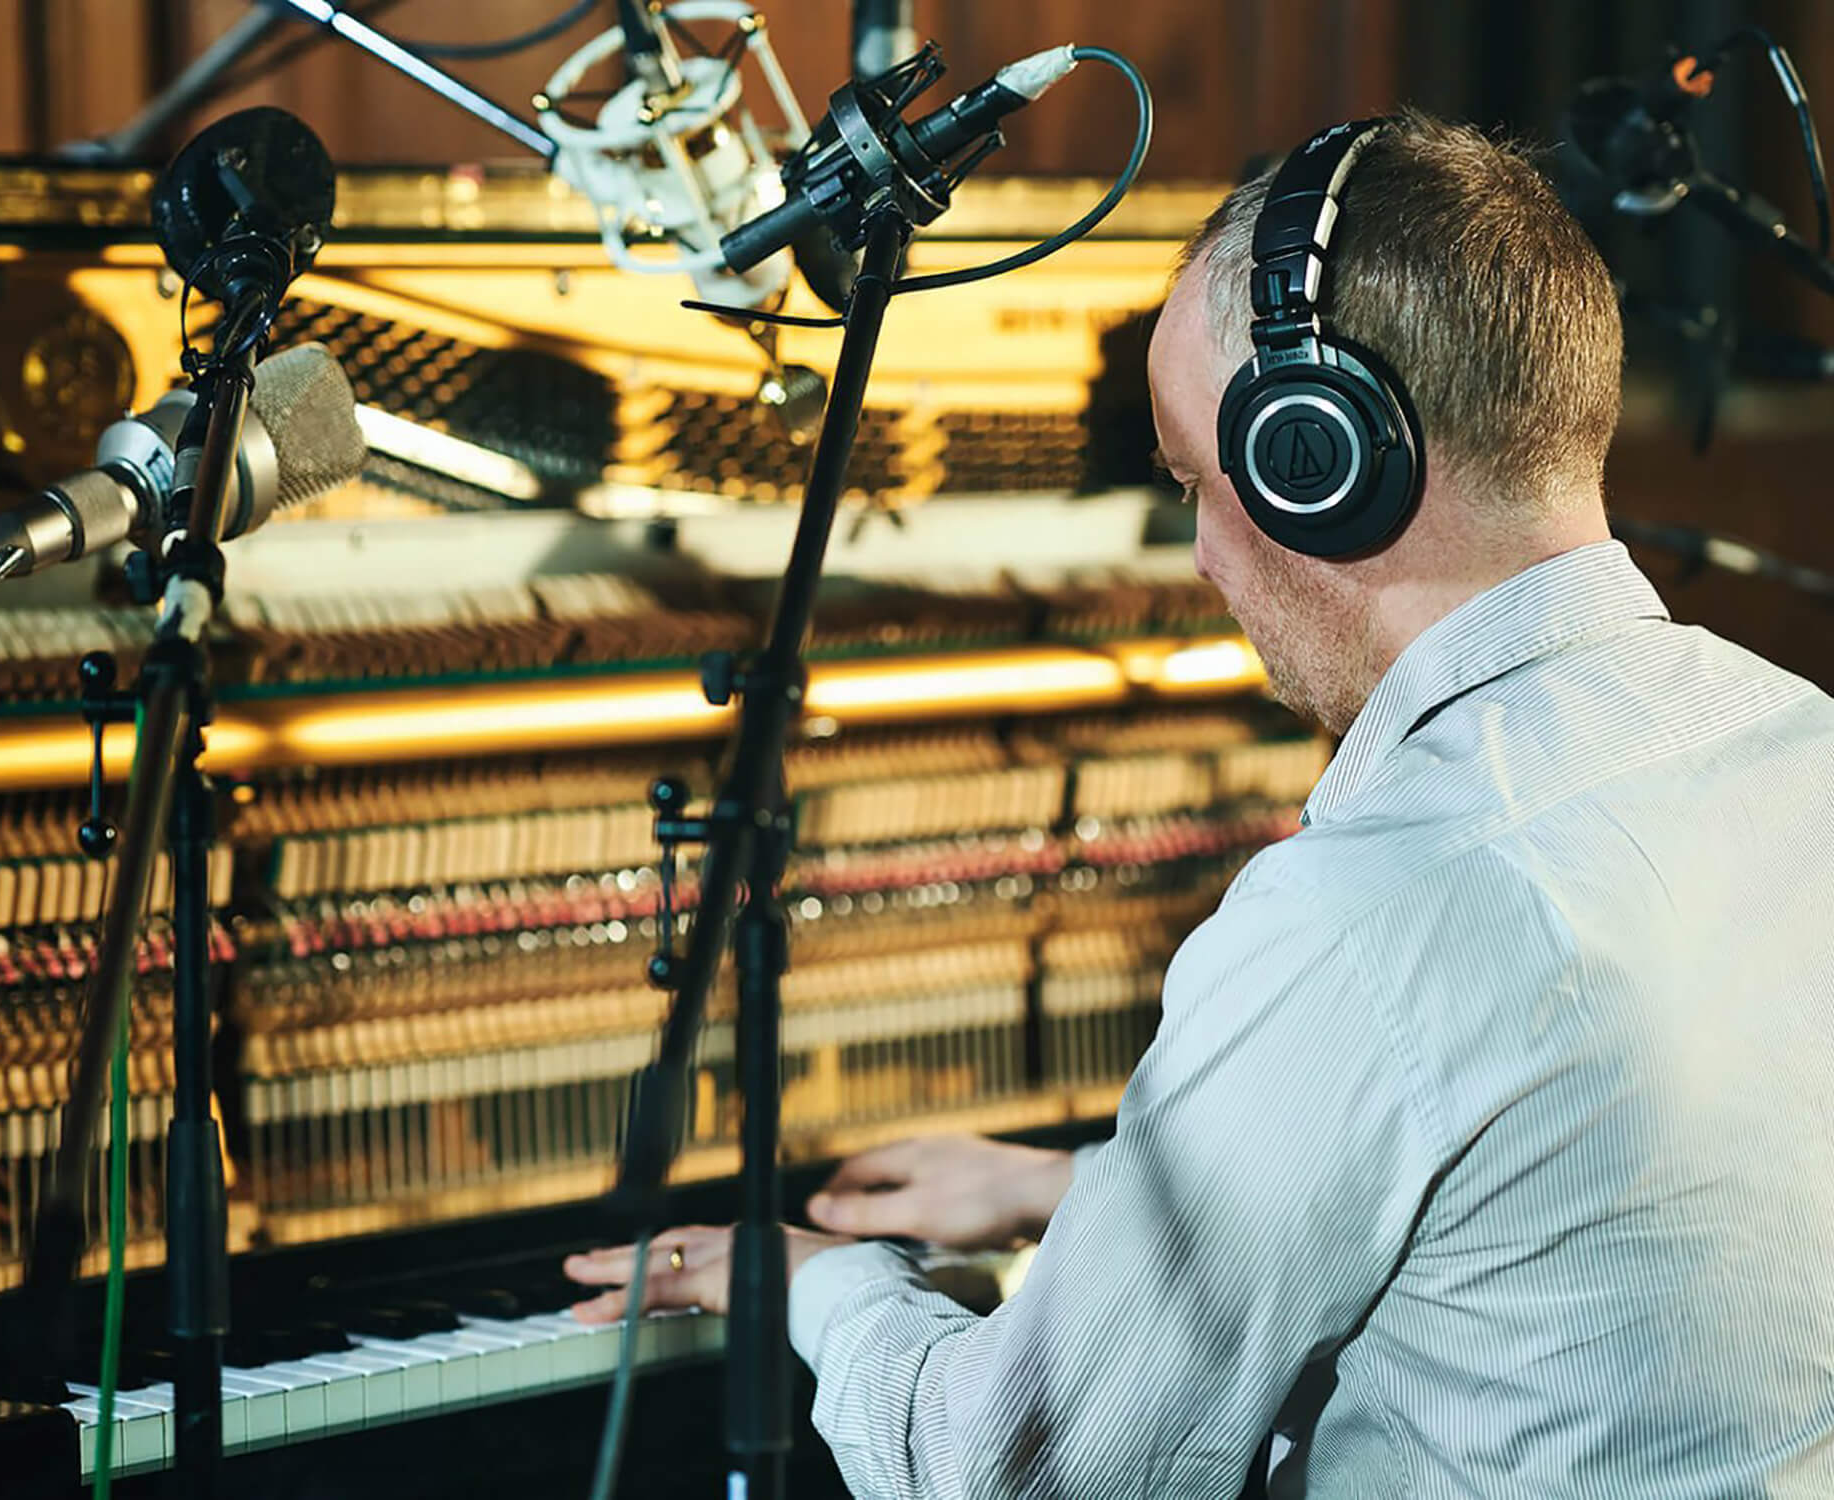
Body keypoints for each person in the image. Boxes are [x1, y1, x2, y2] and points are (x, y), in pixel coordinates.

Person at [566, 113, 1834, 1497]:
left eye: (1193, 483)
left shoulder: (1374, 913)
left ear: (1321, 460)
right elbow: (1576, 1204)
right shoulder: (1795, 747)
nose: (1201, 558)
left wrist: (811, 1280)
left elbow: (1001, 1470)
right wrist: (1084, 1194)